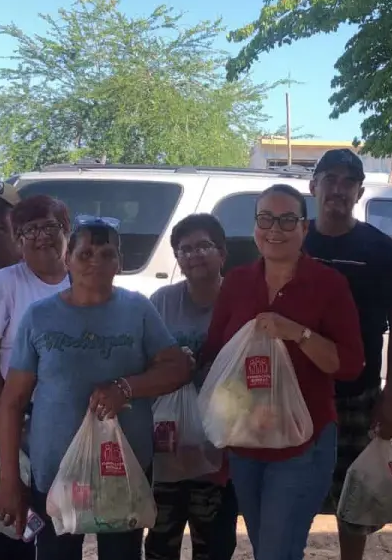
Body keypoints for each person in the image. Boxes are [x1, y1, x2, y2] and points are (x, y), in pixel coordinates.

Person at [0, 215, 193, 560]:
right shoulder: (39, 317)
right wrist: (10, 480)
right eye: (85, 254)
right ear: (67, 259)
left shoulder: (138, 309)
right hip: (55, 472)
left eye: (107, 254)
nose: (96, 263)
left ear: (120, 262)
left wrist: (126, 388)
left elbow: (178, 368)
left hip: (123, 470)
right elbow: (12, 403)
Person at [201, 184, 364, 560]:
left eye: (288, 219)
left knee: (276, 550)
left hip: (302, 441)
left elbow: (350, 364)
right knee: (268, 548)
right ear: (255, 226)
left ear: (305, 229)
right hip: (245, 440)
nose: (275, 229)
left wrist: (298, 333)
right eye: (266, 219)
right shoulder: (238, 282)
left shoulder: (328, 285)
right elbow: (214, 351)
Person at [304, 150, 392, 560]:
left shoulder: (379, 247)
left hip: (358, 393)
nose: (337, 188)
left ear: (359, 191)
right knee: (294, 492)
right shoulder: (294, 240)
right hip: (298, 393)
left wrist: (389, 397)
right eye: (329, 179)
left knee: (356, 500)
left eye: (347, 181)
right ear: (313, 186)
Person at [0, 194, 71, 560]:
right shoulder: (5, 284)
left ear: (67, 230)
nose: (40, 237)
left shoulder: (83, 282)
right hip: (4, 443)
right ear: (17, 239)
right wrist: (15, 419)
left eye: (49, 226)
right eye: (28, 231)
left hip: (64, 442)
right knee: (3, 542)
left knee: (58, 539)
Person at [143, 214, 240, 560]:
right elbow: (144, 362)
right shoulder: (161, 302)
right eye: (184, 250)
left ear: (222, 253)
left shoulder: (241, 300)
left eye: (203, 246)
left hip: (221, 444)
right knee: (160, 541)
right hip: (168, 442)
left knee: (214, 543)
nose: (194, 255)